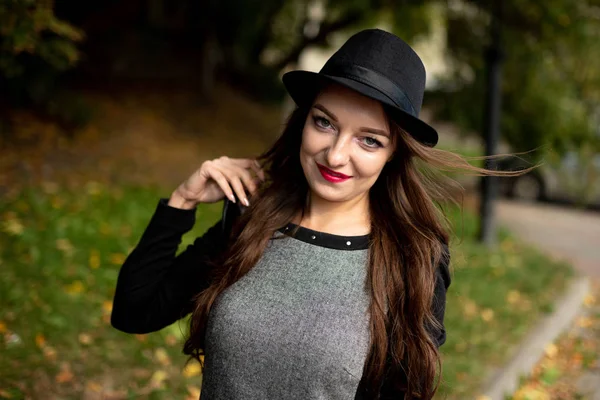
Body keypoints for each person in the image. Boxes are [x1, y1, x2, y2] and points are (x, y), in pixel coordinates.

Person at [110, 29, 535, 399]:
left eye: (368, 140)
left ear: (392, 155)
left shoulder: (413, 258)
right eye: (324, 122)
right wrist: (181, 202)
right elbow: (135, 311)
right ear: (302, 121)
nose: (335, 154)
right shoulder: (250, 220)